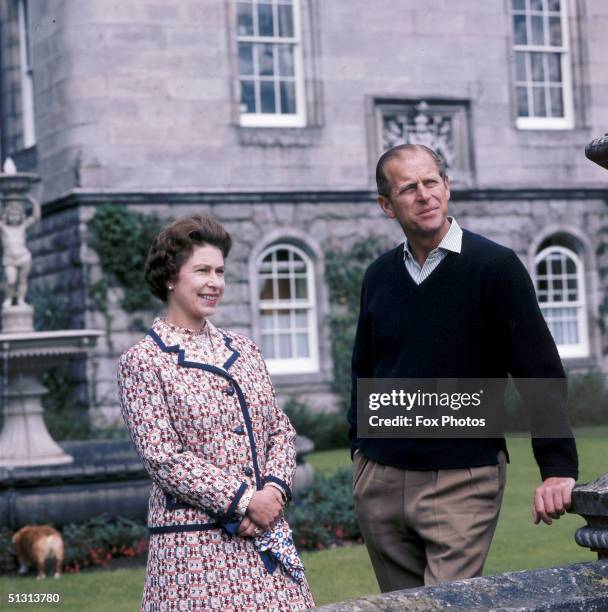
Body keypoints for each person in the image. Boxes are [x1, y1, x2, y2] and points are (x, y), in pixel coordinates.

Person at [348, 144, 578, 592]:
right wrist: (361, 451)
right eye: (408, 188)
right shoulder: (378, 275)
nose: (424, 195)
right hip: (381, 476)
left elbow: (538, 370)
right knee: (398, 608)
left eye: (431, 182)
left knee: (447, 604)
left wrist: (556, 467)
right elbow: (363, 370)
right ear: (386, 206)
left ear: (447, 186)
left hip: (462, 478)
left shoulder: (494, 266)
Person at [117, 215, 314, 611]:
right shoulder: (144, 361)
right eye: (202, 270)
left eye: (220, 271)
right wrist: (244, 501)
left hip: (265, 543)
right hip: (193, 552)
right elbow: (163, 457)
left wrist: (272, 494)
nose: (215, 282)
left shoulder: (245, 350)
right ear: (171, 278)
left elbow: (280, 430)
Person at [0, 196, 40, 307]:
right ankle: (8, 298)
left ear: (21, 216)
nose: (14, 218)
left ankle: (21, 299)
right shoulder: (4, 228)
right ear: (6, 216)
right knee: (10, 280)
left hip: (24, 257)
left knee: (23, 280)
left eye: (16, 215)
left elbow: (35, 217)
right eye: (11, 215)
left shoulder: (22, 227)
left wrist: (34, 203)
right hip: (9, 259)